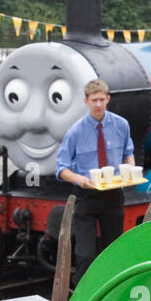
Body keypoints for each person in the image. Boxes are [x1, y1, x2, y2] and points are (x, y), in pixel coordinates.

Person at [56, 79, 135, 284]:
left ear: (107, 99)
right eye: (94, 100)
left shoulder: (121, 125)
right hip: (87, 196)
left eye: (102, 99)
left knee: (113, 250)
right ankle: (81, 295)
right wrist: (80, 180)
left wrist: (130, 171)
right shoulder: (75, 132)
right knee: (85, 254)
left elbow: (129, 153)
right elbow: (61, 169)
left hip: (113, 194)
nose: (98, 104)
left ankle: (111, 291)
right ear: (86, 101)